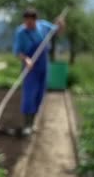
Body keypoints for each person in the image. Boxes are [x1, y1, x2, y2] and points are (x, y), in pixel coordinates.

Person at [12, 8, 65, 136]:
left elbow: (59, 32)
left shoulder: (44, 26)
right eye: (26, 22)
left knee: (39, 96)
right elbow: (17, 51)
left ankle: (33, 123)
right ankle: (27, 125)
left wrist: (61, 24)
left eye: (31, 22)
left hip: (43, 64)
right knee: (29, 95)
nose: (28, 24)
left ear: (36, 20)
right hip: (30, 67)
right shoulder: (21, 32)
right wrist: (26, 60)